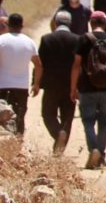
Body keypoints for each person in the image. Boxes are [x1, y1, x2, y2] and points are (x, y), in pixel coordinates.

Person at [75, 9, 106, 169]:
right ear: (105, 23)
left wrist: (72, 88)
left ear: (91, 23)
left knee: (88, 120)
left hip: (86, 87)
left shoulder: (85, 39)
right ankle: (101, 155)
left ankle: (93, 149)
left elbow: (76, 65)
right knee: (103, 123)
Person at [36, 9, 84, 155]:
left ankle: (58, 135)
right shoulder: (77, 39)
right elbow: (80, 65)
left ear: (55, 23)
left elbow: (40, 63)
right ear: (70, 24)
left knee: (47, 114)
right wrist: (78, 87)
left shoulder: (46, 39)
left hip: (51, 86)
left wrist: (36, 83)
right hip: (70, 85)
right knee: (67, 117)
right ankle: (60, 144)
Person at [0, 12, 37, 137]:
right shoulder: (29, 42)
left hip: (4, 86)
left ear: (8, 25)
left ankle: (6, 143)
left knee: (4, 118)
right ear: (22, 26)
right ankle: (18, 144)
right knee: (20, 116)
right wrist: (36, 83)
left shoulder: (0, 40)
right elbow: (38, 65)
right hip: (22, 88)